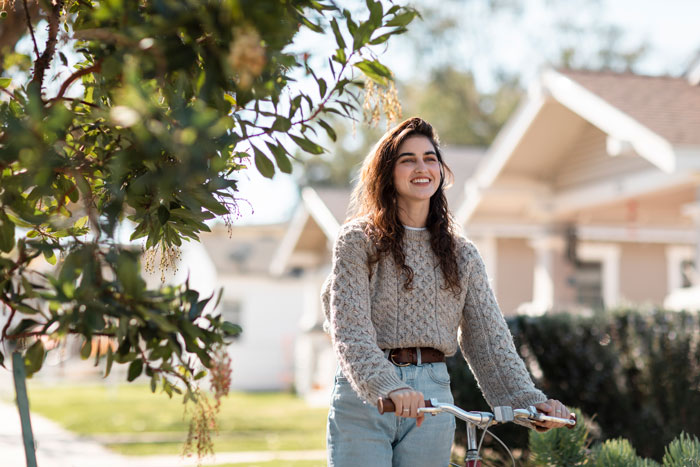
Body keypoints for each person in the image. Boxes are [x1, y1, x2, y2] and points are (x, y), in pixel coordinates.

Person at [321, 117, 572, 467]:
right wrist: (387, 385)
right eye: (407, 159)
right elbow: (350, 331)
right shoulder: (357, 241)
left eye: (430, 158)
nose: (421, 167)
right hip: (365, 396)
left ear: (440, 169)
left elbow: (489, 340)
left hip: (433, 394)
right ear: (386, 172)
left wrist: (529, 402)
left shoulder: (461, 253)